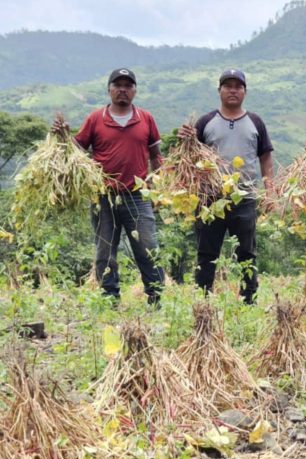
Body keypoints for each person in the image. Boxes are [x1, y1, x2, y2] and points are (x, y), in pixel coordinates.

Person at [53, 68, 165, 305]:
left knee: (148, 248)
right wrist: (61, 137)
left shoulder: (145, 118)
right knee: (105, 251)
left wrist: (157, 186)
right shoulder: (95, 119)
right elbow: (76, 153)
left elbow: (156, 155)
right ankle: (109, 300)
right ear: (109, 89)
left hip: (137, 196)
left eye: (128, 85)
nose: (123, 89)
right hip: (102, 196)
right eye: (118, 85)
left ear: (134, 90)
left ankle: (156, 298)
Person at [178, 69, 274, 304]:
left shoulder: (256, 122)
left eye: (238, 86)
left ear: (245, 92)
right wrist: (185, 141)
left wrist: (269, 191)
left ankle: (248, 301)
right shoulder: (205, 122)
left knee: (247, 253)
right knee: (207, 253)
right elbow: (189, 158)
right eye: (228, 86)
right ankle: (203, 301)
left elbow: (265, 158)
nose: (233, 90)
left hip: (245, 197)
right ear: (219, 90)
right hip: (209, 199)